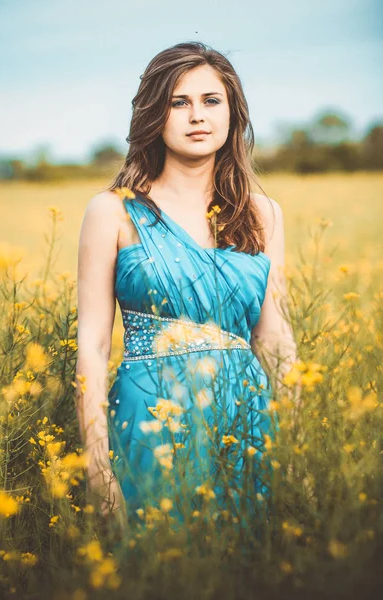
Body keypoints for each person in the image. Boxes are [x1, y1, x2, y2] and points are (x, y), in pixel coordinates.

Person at [75, 41, 299, 533]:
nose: (197, 116)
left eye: (210, 100)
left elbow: (274, 337)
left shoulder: (263, 214)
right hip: (149, 415)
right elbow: (91, 346)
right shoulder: (112, 211)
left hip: (246, 417)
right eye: (179, 102)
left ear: (232, 113)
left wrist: (298, 446)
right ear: (155, 114)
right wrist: (97, 467)